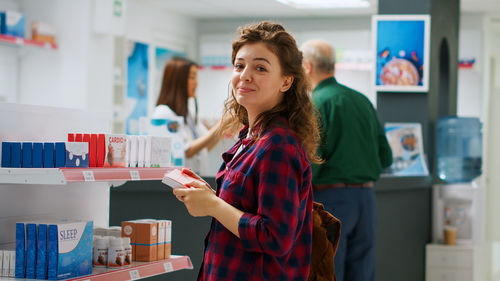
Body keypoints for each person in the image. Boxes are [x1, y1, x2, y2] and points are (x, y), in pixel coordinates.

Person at [172, 21, 321, 281]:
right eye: (240, 65)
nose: (245, 75)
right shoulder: (250, 138)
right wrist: (209, 198)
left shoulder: (278, 146)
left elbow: (275, 237)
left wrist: (214, 206)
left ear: (286, 81)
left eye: (260, 68)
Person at [300, 39, 393, 281]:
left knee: (326, 270)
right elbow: (386, 157)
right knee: (362, 271)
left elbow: (310, 161)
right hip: (366, 201)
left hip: (330, 199)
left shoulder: (315, 104)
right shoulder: (362, 101)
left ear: (307, 67)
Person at [153, 57, 222, 175]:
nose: (196, 83)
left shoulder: (188, 114)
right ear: (177, 81)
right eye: (192, 77)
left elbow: (206, 146)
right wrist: (222, 123)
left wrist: (224, 129)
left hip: (194, 182)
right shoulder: (163, 113)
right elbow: (187, 150)